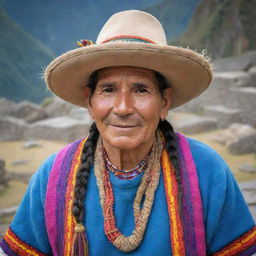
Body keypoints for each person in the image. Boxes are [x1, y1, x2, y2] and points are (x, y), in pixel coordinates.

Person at [1, 10, 256, 256]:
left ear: (164, 102)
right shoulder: (53, 177)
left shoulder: (207, 172)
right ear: (90, 102)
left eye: (141, 90)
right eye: (108, 90)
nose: (123, 108)